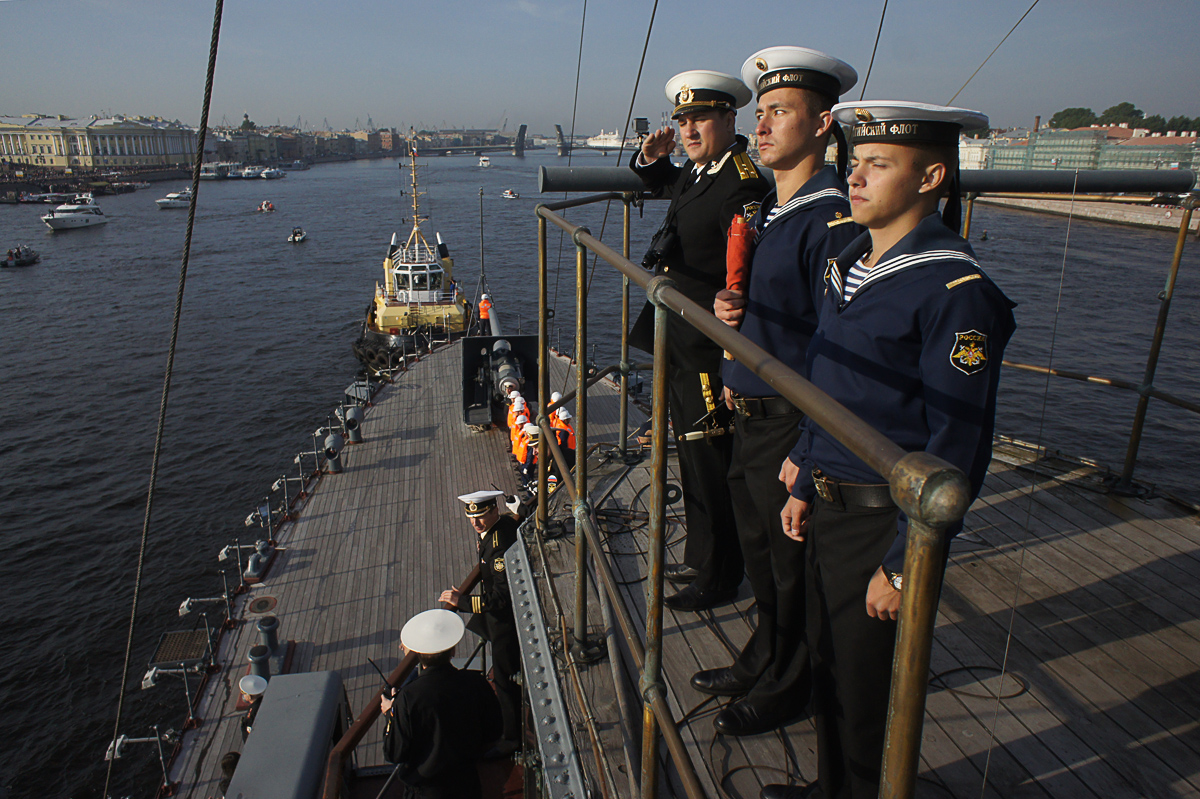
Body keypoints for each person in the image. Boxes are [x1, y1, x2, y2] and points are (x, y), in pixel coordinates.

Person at [764, 102, 1016, 799]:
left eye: (879, 164)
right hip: (831, 503)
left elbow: (957, 443)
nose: (856, 176)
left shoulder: (956, 292)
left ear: (932, 175)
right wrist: (805, 480)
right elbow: (829, 386)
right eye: (855, 162)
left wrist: (903, 565)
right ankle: (830, 787)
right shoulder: (849, 264)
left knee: (868, 688)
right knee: (829, 664)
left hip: (883, 517)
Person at [695, 46, 862, 739]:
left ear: (822, 124)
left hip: (789, 422)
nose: (760, 127)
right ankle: (767, 652)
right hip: (750, 408)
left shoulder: (828, 221)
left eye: (779, 113)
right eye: (758, 114)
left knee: (791, 564)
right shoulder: (773, 208)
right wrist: (734, 310)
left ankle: (795, 682)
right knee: (763, 554)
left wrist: (808, 445)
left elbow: (835, 341)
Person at [628, 69, 770, 611]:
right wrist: (649, 157)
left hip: (710, 344)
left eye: (699, 119)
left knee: (711, 459)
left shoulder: (742, 183)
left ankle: (722, 574)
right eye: (682, 120)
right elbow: (669, 187)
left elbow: (747, 271)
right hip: (683, 337)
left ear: (729, 118)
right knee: (691, 455)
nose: (688, 129)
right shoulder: (701, 170)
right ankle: (702, 556)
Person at [380, 608, 503, 798]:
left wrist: (391, 714)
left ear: (417, 654)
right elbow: (494, 730)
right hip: (467, 785)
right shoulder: (475, 683)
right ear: (452, 650)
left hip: (427, 791)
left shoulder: (408, 697)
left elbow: (394, 753)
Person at [438, 490, 522, 750]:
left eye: (482, 516)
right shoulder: (503, 525)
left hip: (504, 623)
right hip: (502, 619)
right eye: (472, 517)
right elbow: (516, 519)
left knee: (505, 680)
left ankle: (512, 737)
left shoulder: (497, 546)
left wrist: (461, 601)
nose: (476, 522)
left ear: (494, 511)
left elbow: (500, 599)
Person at [550, 406, 576, 472]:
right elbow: (563, 442)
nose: (570, 420)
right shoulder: (563, 431)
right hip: (567, 450)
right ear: (565, 420)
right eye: (568, 419)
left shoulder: (558, 423)